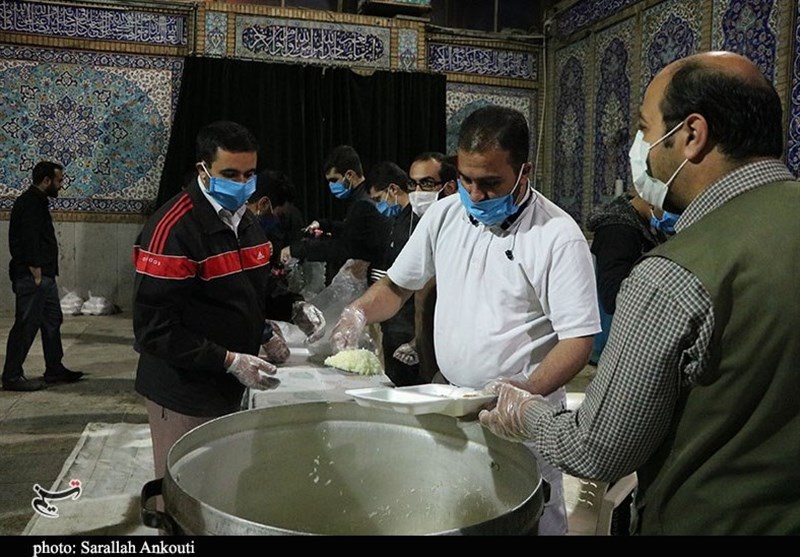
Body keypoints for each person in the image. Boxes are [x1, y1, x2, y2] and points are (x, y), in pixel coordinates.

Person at [479, 51, 800, 535]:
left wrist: (523, 411)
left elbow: (597, 449)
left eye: (645, 130)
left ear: (691, 135)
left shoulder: (675, 275)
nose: (641, 149)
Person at [328, 106, 601, 535]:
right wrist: (358, 311)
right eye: (466, 180)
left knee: (525, 519)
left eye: (490, 183)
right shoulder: (445, 215)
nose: (475, 194)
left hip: (520, 419)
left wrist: (524, 392)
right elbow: (396, 287)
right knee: (460, 513)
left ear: (524, 172)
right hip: (453, 404)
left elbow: (577, 340)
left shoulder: (557, 236)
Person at [133, 121, 280, 486]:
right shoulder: (174, 229)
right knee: (183, 487)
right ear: (203, 169)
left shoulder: (246, 221)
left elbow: (249, 289)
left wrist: (289, 308)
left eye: (249, 174)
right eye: (230, 174)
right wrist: (228, 360)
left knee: (220, 483)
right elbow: (155, 330)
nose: (242, 184)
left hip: (227, 385)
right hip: (184, 390)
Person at [3, 161, 84, 391]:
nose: (61, 185)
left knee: (52, 320)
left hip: (44, 278)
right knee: (26, 326)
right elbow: (29, 239)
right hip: (33, 277)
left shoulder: (37, 201)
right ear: (46, 180)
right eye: (58, 180)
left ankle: (54, 369)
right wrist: (36, 271)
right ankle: (12, 376)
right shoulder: (30, 203)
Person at [279, 145, 390, 284]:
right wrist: (324, 224)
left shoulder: (362, 204)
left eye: (334, 180)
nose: (332, 186)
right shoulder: (365, 196)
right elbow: (354, 230)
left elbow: (343, 247)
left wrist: (298, 249)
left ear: (349, 175)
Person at [586, 190, 674, 363]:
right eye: (670, 207)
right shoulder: (617, 230)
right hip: (613, 339)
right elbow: (612, 297)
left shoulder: (644, 225)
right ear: (652, 200)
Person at [392, 152, 458, 382]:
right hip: (413, 329)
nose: (418, 192)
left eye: (427, 183)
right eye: (413, 184)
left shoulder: (462, 227)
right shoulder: (411, 221)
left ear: (450, 187)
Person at [365, 161, 421, 386]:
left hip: (407, 320)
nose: (379, 205)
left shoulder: (416, 221)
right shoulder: (397, 220)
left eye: (379, 199)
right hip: (393, 318)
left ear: (393, 189)